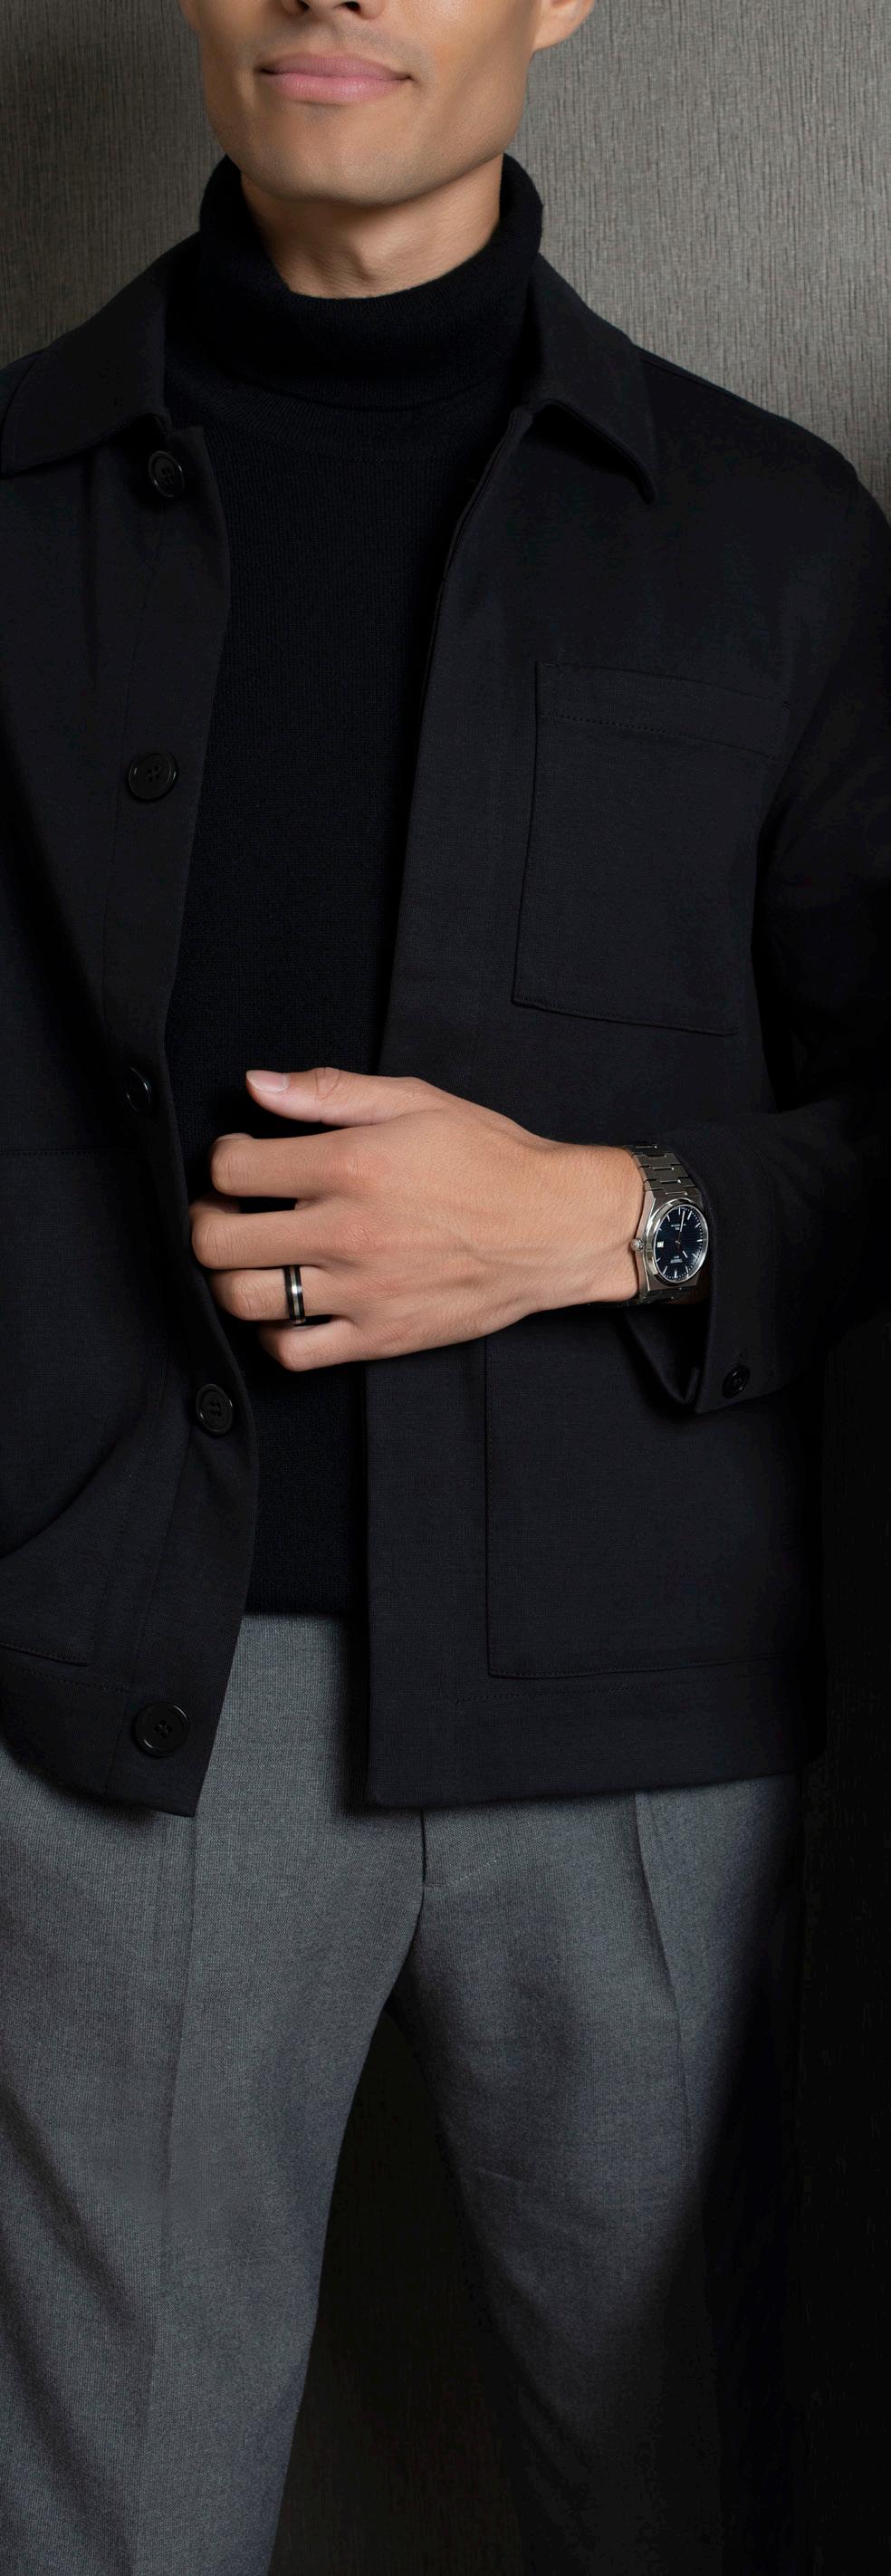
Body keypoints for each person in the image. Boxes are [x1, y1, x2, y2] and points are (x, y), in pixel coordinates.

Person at [0, 0, 888, 2567]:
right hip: (111, 1711)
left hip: (644, 1724)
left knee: (690, 2504)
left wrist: (609, 1212)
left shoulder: (775, 536)